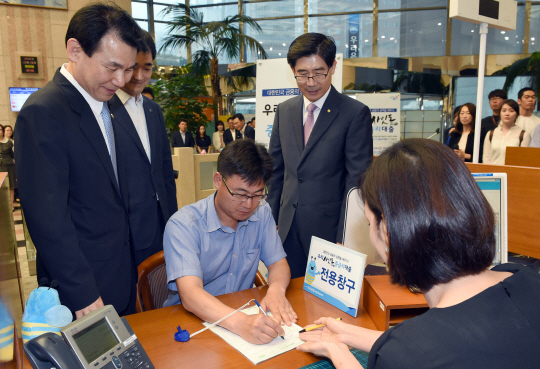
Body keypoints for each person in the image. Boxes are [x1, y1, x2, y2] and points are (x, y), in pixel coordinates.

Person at [297, 138, 540, 369]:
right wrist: (351, 334)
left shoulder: (409, 355)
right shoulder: (525, 276)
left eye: (370, 223)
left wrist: (338, 354)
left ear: (389, 232)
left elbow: (420, 354)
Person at [15, 3, 143, 317]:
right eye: (112, 66)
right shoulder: (44, 111)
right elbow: (48, 219)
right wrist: (82, 292)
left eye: (127, 69)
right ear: (75, 50)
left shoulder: (108, 105)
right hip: (82, 292)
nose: (120, 79)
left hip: (121, 278)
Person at [163, 139, 297, 345]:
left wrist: (276, 291)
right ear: (218, 180)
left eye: (257, 195)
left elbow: (278, 263)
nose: (248, 204)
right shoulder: (184, 224)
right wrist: (241, 323)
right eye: (240, 194)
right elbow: (190, 295)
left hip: (243, 313)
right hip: (192, 323)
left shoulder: (262, 212)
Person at [267, 33, 373, 278]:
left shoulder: (354, 113)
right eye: (302, 74)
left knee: (323, 307)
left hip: (329, 233)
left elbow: (356, 181)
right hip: (286, 228)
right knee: (288, 296)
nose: (311, 81)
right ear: (292, 70)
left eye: (319, 72)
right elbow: (277, 172)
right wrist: (272, 220)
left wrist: (344, 237)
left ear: (333, 67)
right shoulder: (285, 111)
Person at [108, 30, 178, 267]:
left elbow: (164, 172)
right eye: (132, 67)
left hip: (159, 224)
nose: (139, 76)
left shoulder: (153, 109)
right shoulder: (103, 109)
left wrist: (172, 220)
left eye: (146, 68)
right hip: (125, 230)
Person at [483, 99, 531, 165]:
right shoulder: (491, 134)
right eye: (504, 111)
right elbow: (486, 158)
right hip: (493, 173)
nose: (507, 114)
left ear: (517, 114)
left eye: (511, 111)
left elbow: (523, 161)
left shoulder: (523, 135)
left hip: (512, 173)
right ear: (500, 113)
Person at [479, 89, 507, 162]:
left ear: (505, 101)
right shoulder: (483, 122)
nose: (494, 101)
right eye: (492, 99)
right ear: (489, 103)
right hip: (487, 159)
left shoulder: (510, 122)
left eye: (497, 99)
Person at [0, 125, 16, 211]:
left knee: (11, 185)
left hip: (9, 166)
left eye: (0, 130)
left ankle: (11, 205)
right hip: (0, 166)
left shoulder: (9, 142)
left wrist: (13, 160)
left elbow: (12, 154)